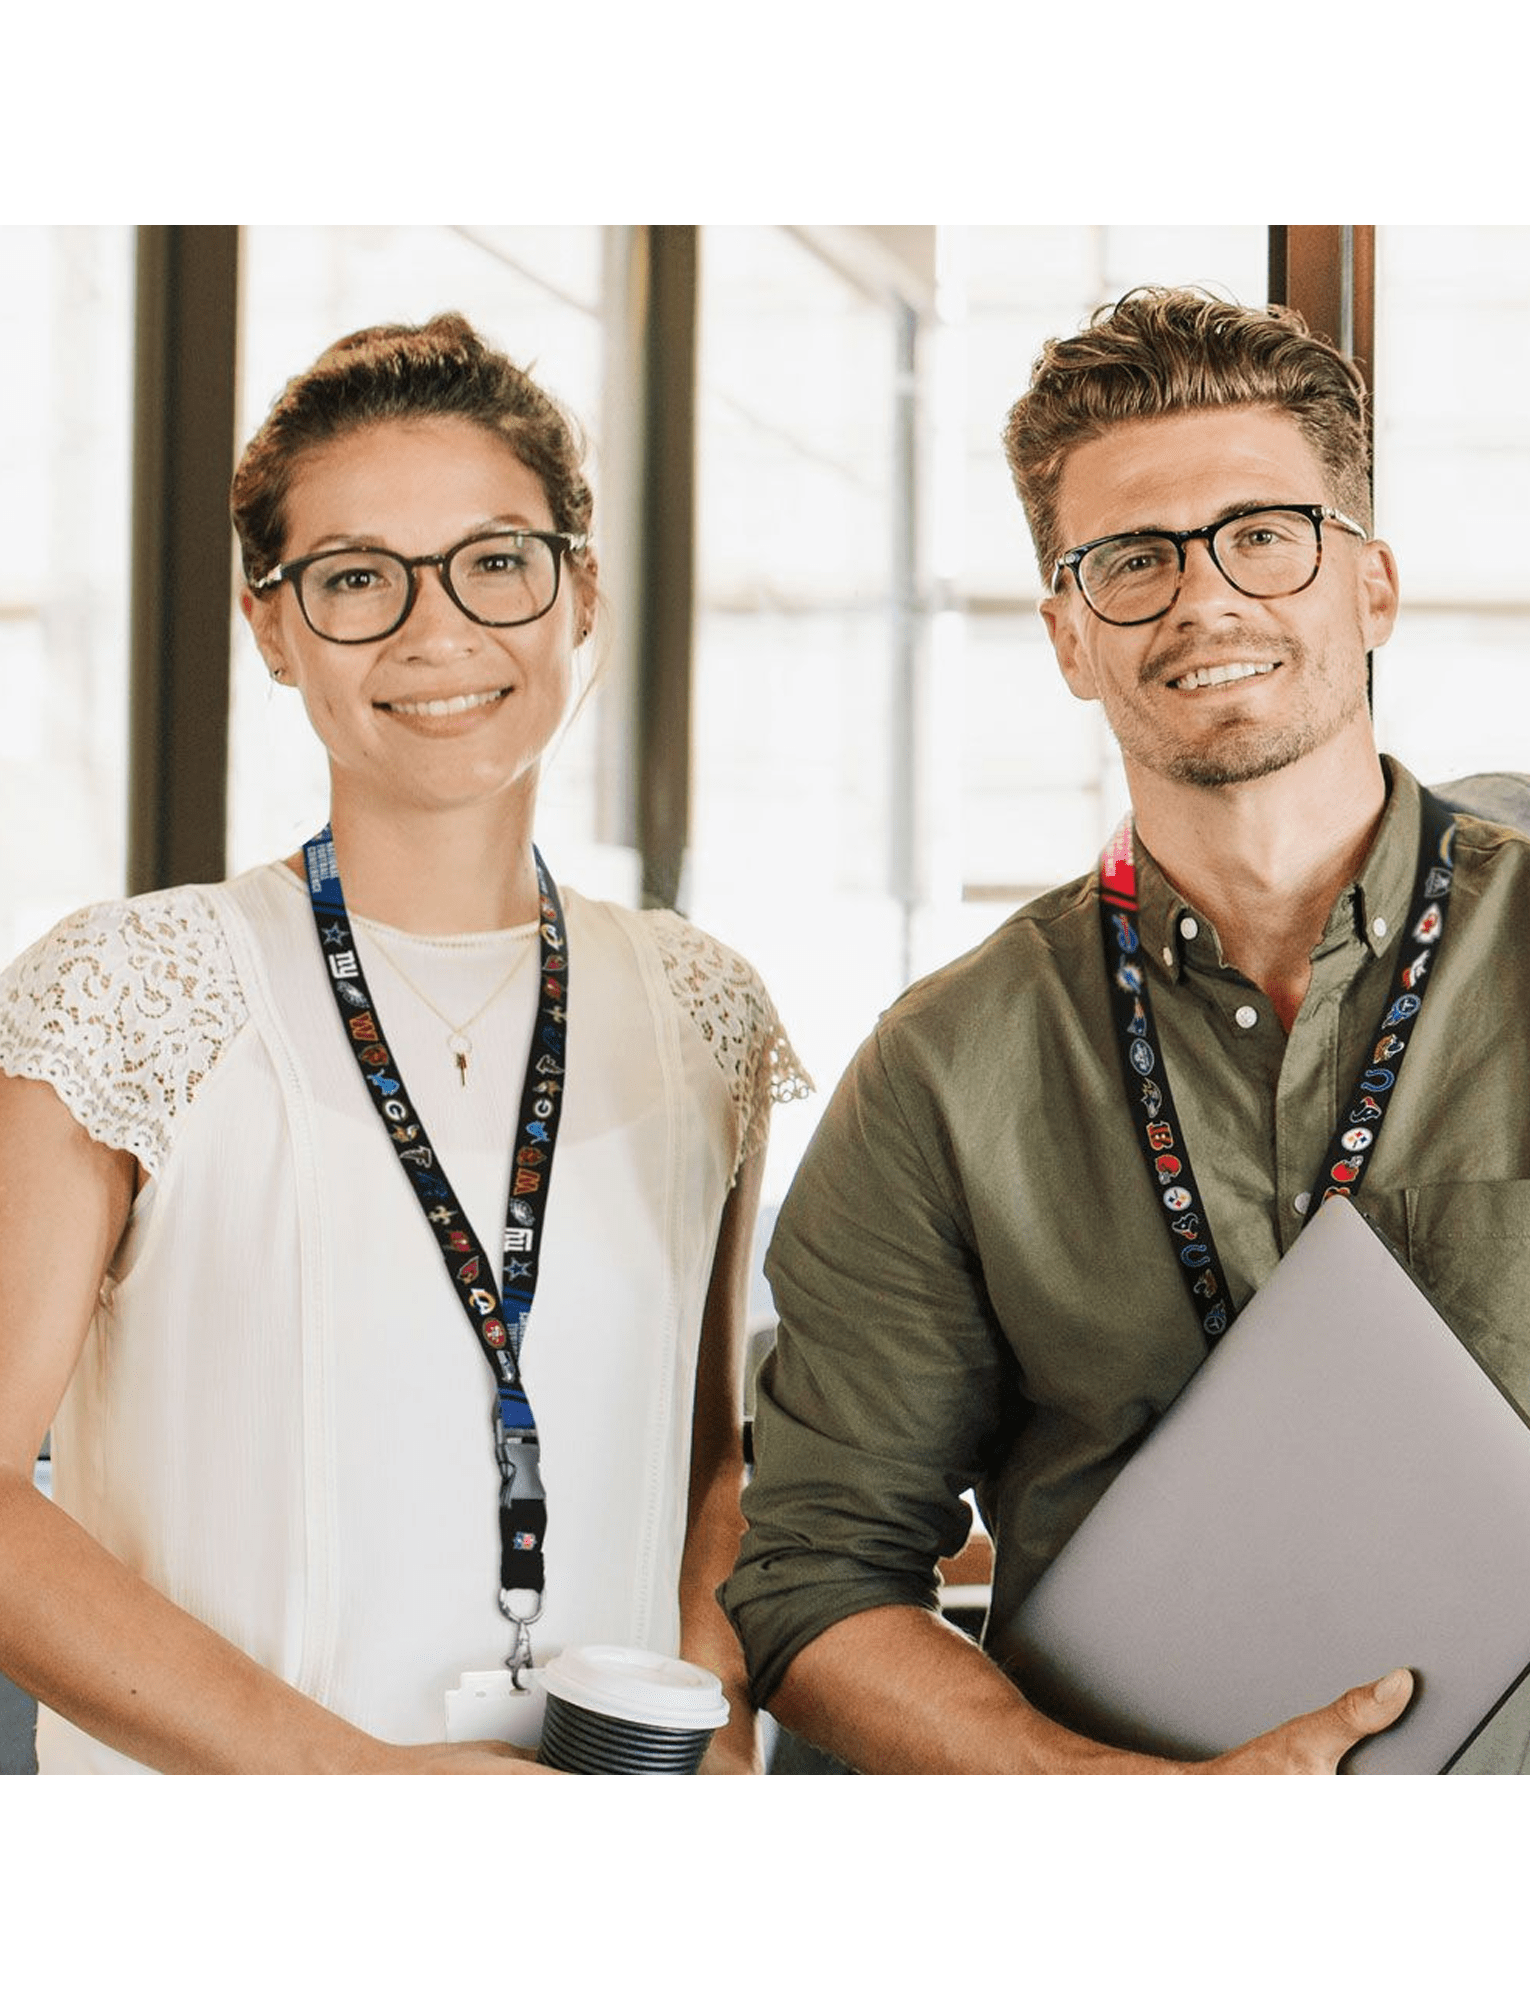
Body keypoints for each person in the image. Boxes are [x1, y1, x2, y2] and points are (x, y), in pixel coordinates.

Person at [721, 284, 1530, 1776]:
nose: (1203, 599)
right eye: (1133, 560)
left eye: (1263, 534)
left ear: (1372, 587)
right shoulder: (942, 1072)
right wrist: (1110, 1805)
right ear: (1066, 636)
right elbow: (816, 1580)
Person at [0, 311, 810, 1775]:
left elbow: (703, 1460)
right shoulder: (130, 986)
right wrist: (361, 1787)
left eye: (495, 562)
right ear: (272, 625)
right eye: (358, 578)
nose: (437, 632)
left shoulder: (703, 1006)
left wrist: (715, 1718)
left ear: (580, 593)